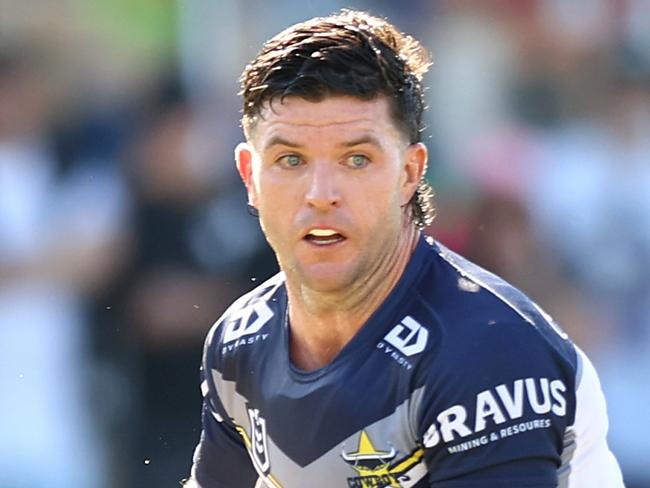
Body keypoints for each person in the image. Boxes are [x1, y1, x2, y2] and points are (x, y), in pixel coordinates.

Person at [185, 10, 624, 487]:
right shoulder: (238, 344)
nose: (320, 193)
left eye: (357, 159)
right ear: (250, 176)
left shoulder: (485, 351)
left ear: (410, 175)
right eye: (290, 159)